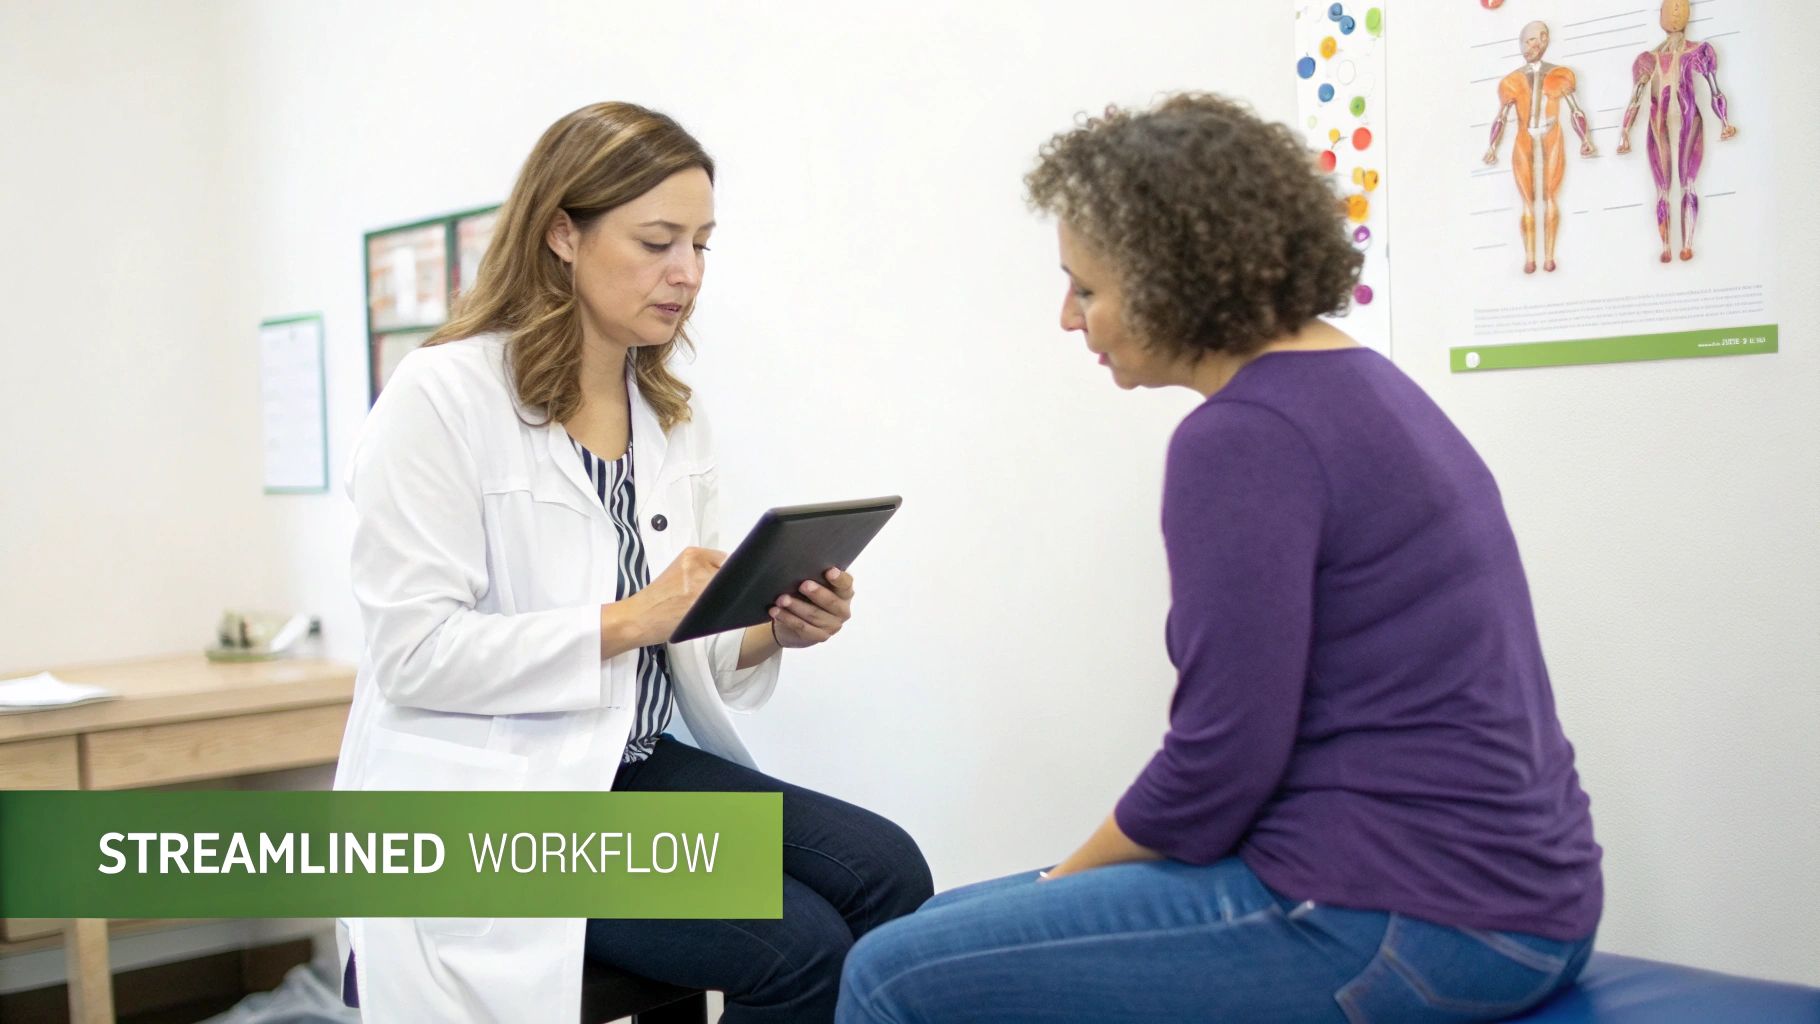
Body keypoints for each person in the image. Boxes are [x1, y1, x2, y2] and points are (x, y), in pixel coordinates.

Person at [837, 93, 1602, 1023]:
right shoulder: (1363, 382)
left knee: (888, 970)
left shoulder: (1243, 436)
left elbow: (1215, 767)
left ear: (1174, 280)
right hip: (1515, 897)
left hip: (1411, 912)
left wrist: (1062, 880)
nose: (1069, 319)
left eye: (1086, 287)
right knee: (931, 920)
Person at [335, 101, 931, 1024]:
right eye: (657, 242)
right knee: (796, 945)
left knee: (888, 872)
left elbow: (681, 652)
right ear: (561, 234)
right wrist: (630, 619)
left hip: (630, 762)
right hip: (498, 800)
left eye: (701, 244)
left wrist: (771, 630)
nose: (685, 274)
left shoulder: (666, 414)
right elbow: (414, 655)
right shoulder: (442, 396)